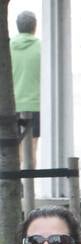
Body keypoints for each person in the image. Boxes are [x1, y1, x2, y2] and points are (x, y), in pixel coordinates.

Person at [10, 11, 40, 176]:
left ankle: (16, 182)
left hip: (11, 106)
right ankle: (29, 185)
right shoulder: (42, 47)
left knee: (14, 147)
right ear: (34, 27)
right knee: (32, 147)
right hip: (35, 104)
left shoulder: (7, 46)